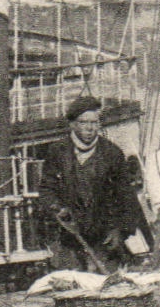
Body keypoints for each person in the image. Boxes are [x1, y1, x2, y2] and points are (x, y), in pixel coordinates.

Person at [36, 94, 151, 272]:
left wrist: (120, 231)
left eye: (94, 122)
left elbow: (127, 198)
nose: (89, 128)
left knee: (109, 285)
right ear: (72, 124)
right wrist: (57, 208)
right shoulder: (57, 151)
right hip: (70, 238)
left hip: (104, 238)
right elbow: (46, 189)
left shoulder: (112, 154)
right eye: (83, 122)